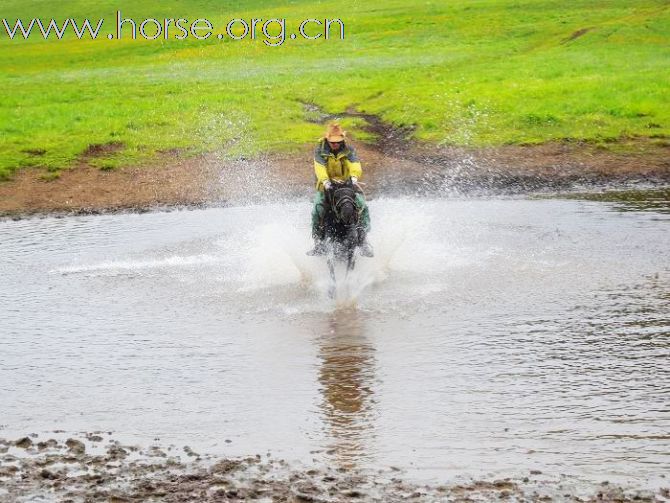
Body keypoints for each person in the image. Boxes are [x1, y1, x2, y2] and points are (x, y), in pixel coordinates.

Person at [307, 123, 373, 257]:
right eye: (333, 142)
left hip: (346, 186)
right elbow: (319, 167)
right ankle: (318, 243)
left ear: (342, 140)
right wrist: (325, 181)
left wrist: (354, 177)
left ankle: (363, 240)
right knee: (317, 209)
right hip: (326, 186)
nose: (336, 144)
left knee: (362, 206)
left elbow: (354, 164)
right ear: (328, 140)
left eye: (338, 142)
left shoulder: (349, 149)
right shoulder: (320, 150)